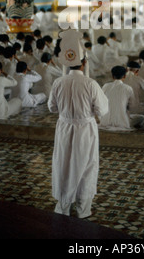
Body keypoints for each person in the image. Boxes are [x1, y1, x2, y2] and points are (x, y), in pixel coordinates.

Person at [48, 56, 108, 219]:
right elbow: (101, 109)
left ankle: (63, 207)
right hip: (85, 130)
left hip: (64, 128)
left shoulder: (58, 82)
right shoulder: (91, 84)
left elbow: (52, 108)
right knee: (86, 165)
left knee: (64, 165)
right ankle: (83, 209)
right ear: (84, 64)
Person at [99, 66, 142, 131]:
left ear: (112, 76)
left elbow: (100, 102)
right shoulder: (128, 88)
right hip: (122, 123)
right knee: (141, 118)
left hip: (105, 122)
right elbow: (133, 107)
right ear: (124, 76)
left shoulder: (106, 86)